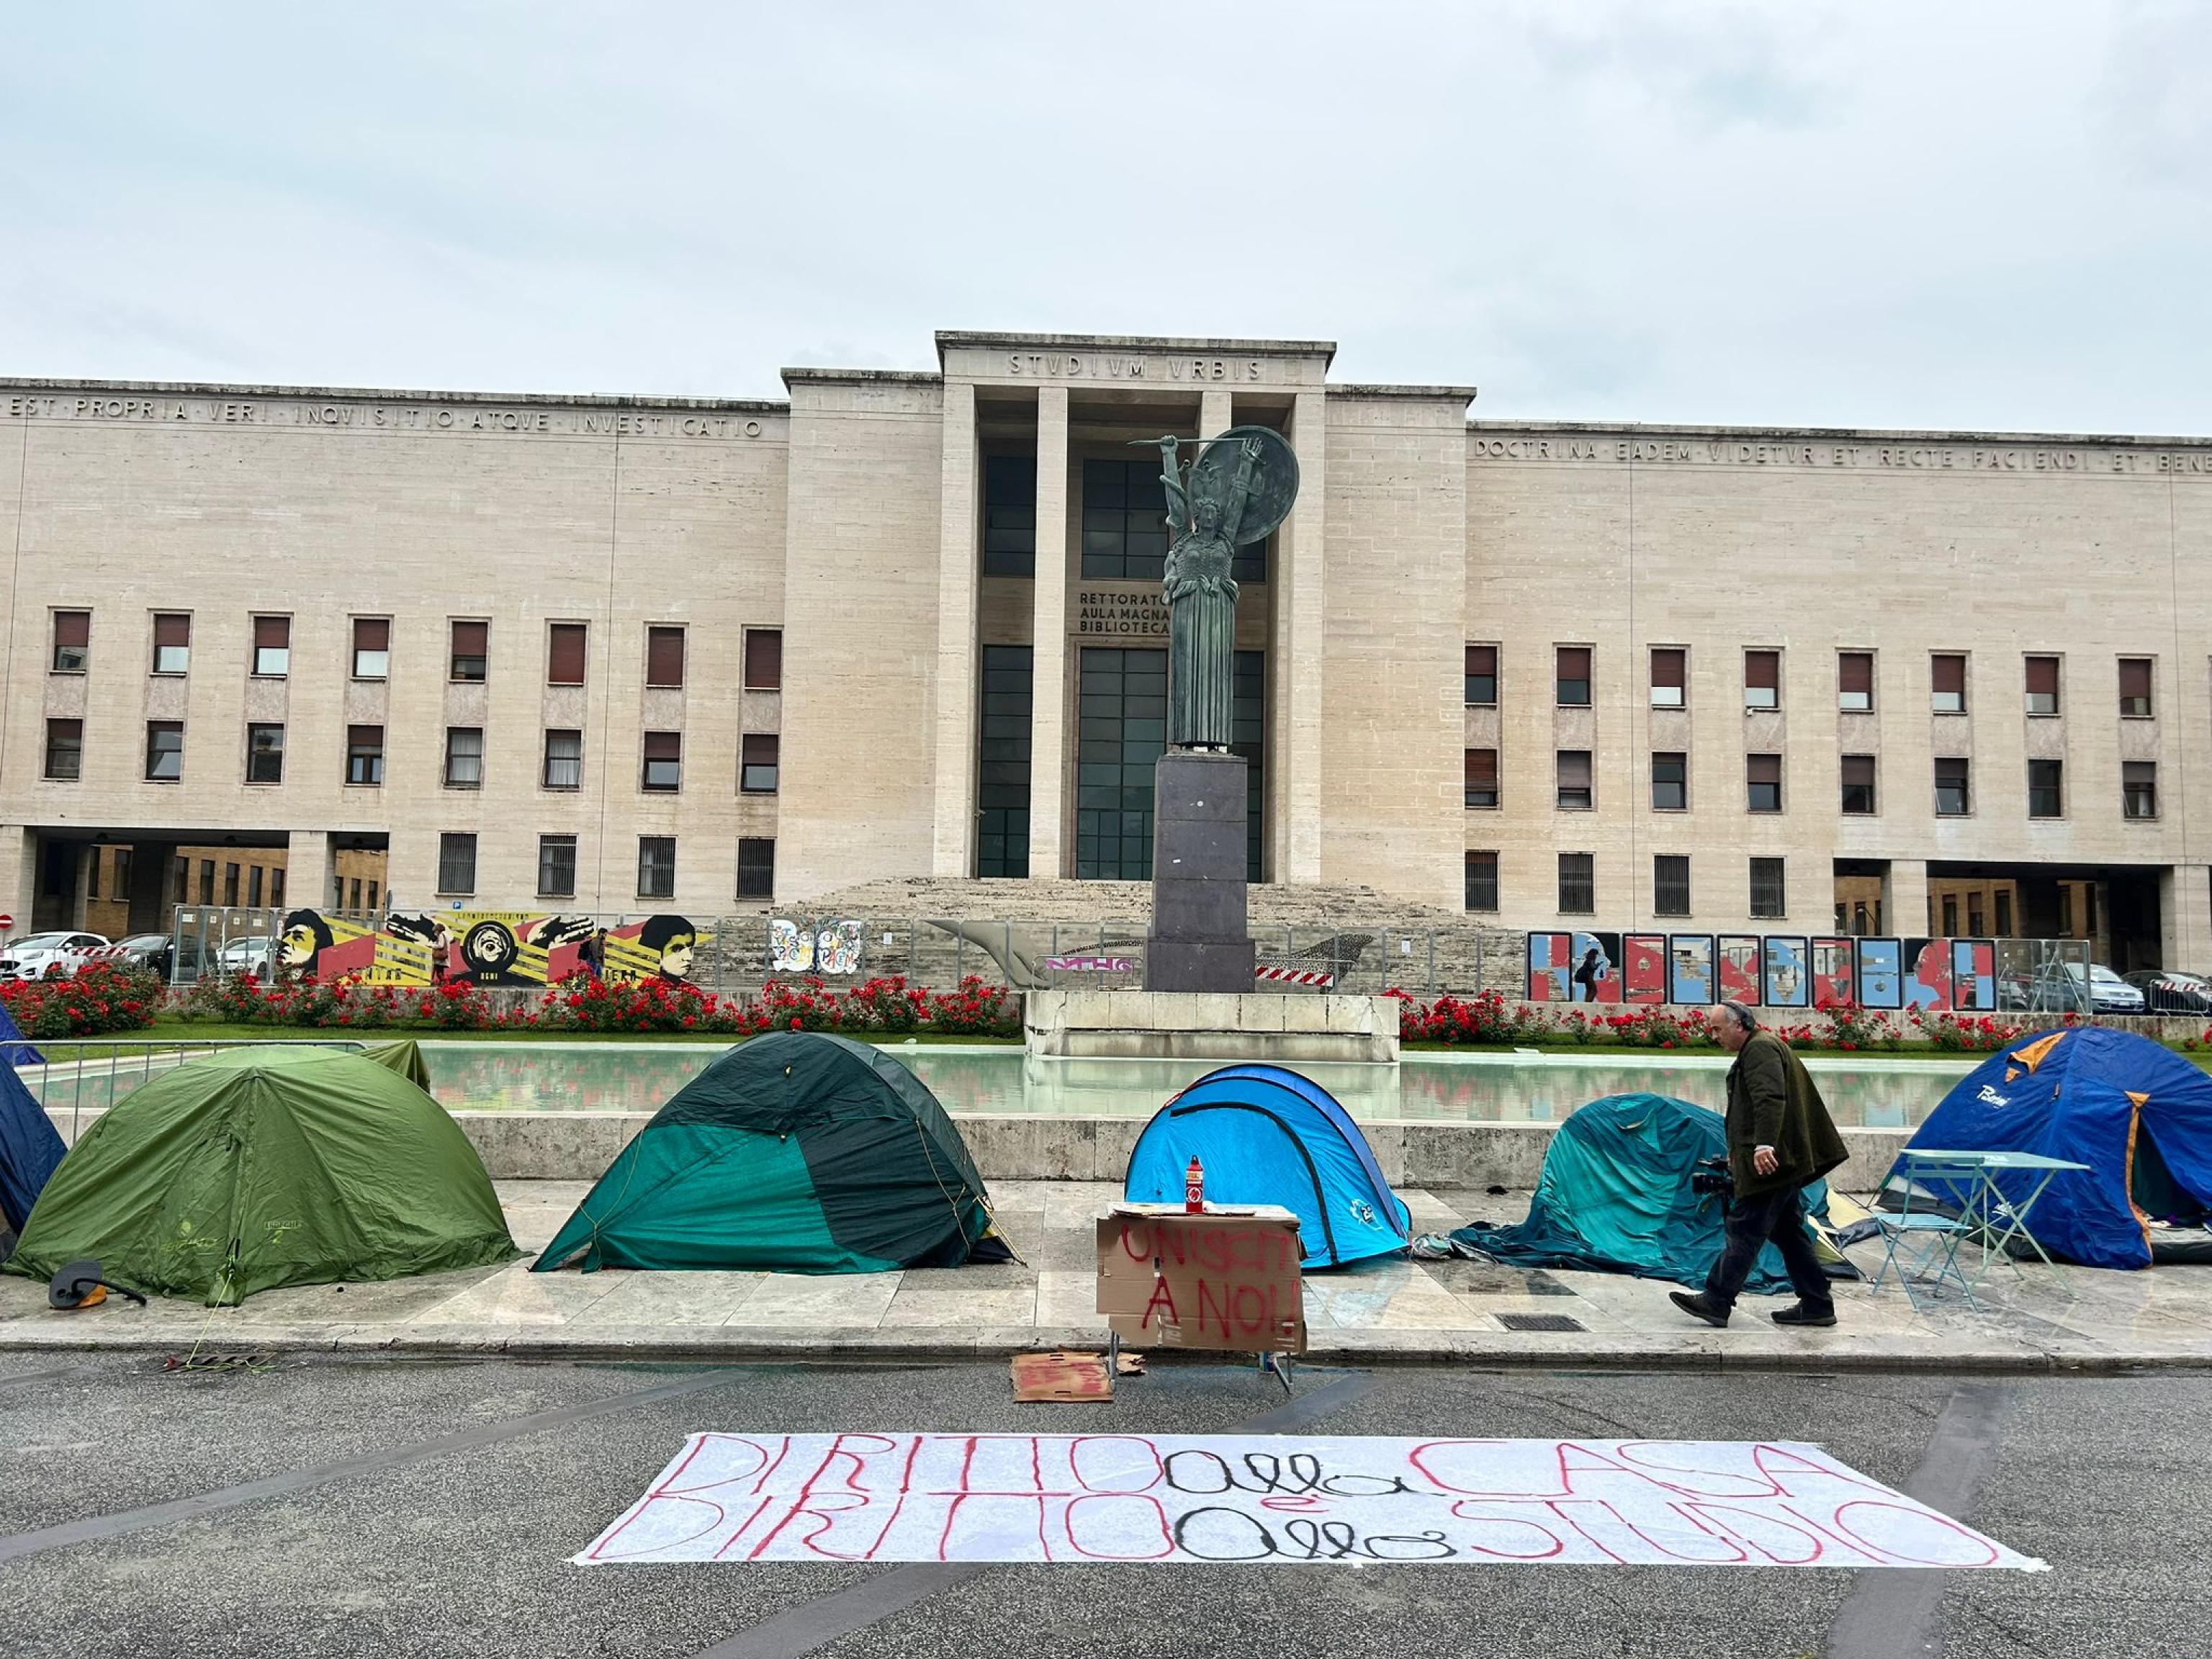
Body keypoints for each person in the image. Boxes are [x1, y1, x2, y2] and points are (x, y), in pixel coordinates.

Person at [1670, 1001, 1849, 1329]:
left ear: (1740, 1026)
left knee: (1745, 1227)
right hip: (1781, 1159)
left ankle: (1716, 1299)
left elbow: (1770, 1098)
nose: (1714, 1036)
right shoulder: (1760, 1047)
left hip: (1774, 1163)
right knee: (1788, 1232)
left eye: (1717, 1029)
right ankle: (1817, 1303)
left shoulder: (1760, 1050)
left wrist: (1764, 1145)